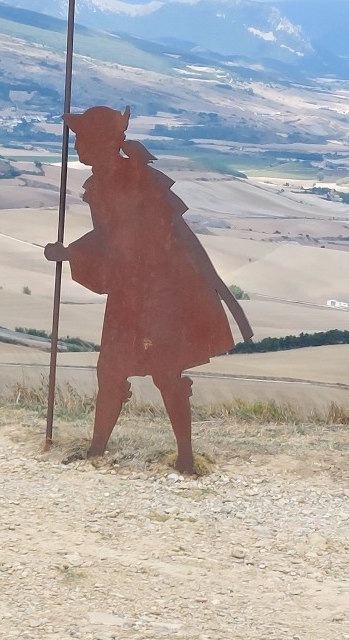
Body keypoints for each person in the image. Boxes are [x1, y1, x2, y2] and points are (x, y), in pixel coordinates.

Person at [43, 105, 250, 475]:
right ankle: (97, 449)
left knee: (165, 374)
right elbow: (109, 239)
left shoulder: (138, 178)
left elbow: (159, 236)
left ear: (102, 142)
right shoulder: (99, 185)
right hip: (129, 291)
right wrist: (71, 252)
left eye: (82, 139)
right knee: (110, 371)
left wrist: (73, 251)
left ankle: (185, 455)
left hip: (157, 292)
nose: (75, 147)